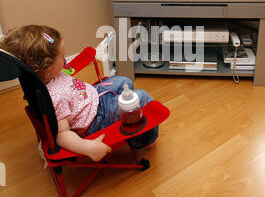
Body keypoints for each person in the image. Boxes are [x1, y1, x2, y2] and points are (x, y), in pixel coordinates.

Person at [0, 25, 158, 161]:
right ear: (46, 67)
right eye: (62, 57)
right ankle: (144, 141)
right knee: (142, 96)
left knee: (124, 81)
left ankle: (124, 110)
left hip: (94, 95)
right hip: (96, 118)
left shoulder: (49, 75)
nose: (65, 60)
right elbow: (62, 135)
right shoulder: (55, 97)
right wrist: (87, 147)